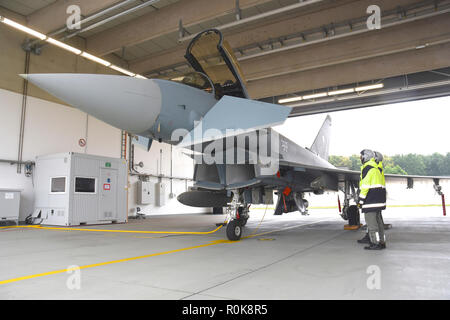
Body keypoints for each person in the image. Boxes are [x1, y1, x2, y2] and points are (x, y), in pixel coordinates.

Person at [357, 149, 387, 250]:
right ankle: (381, 242)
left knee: (372, 225)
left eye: (361, 156)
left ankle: (375, 243)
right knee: (379, 224)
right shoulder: (376, 169)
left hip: (370, 201)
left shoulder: (368, 168)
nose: (360, 158)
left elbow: (365, 186)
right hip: (378, 201)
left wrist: (360, 201)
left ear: (366, 157)